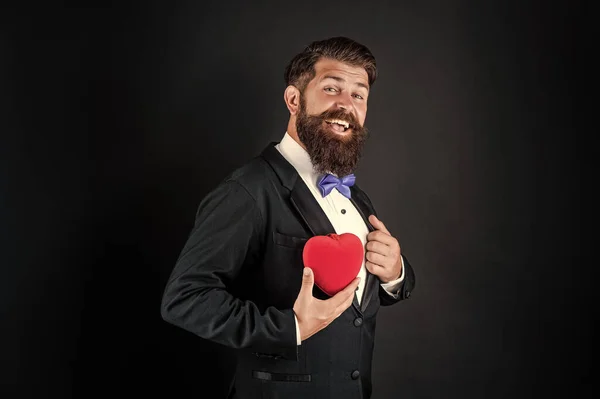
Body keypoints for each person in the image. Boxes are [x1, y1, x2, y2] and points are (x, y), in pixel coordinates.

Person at [160, 36, 416, 399]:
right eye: (331, 88)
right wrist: (290, 327)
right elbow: (184, 299)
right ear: (294, 99)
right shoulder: (248, 190)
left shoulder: (357, 197)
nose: (346, 105)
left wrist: (394, 273)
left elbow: (360, 305)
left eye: (358, 95)